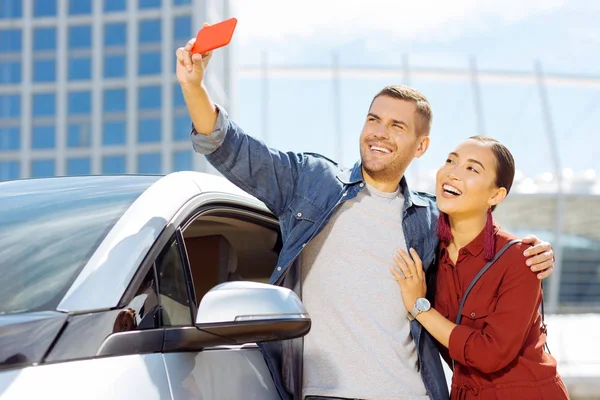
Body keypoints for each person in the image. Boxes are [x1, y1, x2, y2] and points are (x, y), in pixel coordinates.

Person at [175, 30, 556, 400]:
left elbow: (479, 246)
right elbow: (234, 149)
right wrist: (194, 87)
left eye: (396, 126)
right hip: (326, 393)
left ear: (420, 145)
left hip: (413, 392)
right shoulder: (312, 182)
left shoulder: (427, 219)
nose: (379, 133)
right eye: (374, 119)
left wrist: (534, 249)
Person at [390, 136, 568, 399]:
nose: (453, 172)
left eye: (472, 168)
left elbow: (489, 354)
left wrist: (419, 306)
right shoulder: (429, 252)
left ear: (495, 195)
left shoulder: (520, 258)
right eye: (451, 161)